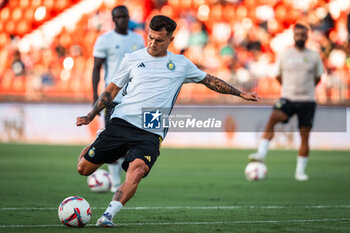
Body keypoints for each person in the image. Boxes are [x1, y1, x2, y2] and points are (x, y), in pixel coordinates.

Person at [76, 15, 259, 227]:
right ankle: (102, 140)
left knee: (137, 171)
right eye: (150, 38)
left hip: (152, 126)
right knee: (84, 169)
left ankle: (108, 215)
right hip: (122, 120)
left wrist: (240, 93)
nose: (153, 43)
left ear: (170, 40)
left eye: (159, 40)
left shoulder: (180, 64)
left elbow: (209, 80)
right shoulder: (132, 59)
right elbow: (112, 89)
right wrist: (91, 115)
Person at [249, 23, 324, 181]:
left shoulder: (314, 55)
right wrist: (289, 88)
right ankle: (261, 154)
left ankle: (300, 172)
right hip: (288, 98)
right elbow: (278, 75)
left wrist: (305, 89)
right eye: (297, 34)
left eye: (303, 35)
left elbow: (318, 77)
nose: (300, 37)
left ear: (307, 36)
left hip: (307, 100)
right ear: (293, 35)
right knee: (273, 118)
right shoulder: (285, 54)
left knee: (304, 136)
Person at [91, 5, 144, 192]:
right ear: (113, 19)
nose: (122, 19)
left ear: (129, 17)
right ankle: (114, 183)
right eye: (118, 17)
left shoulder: (138, 39)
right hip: (113, 98)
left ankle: (121, 179)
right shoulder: (104, 40)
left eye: (125, 16)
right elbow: (96, 68)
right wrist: (95, 96)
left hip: (134, 99)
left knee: (132, 141)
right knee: (114, 140)